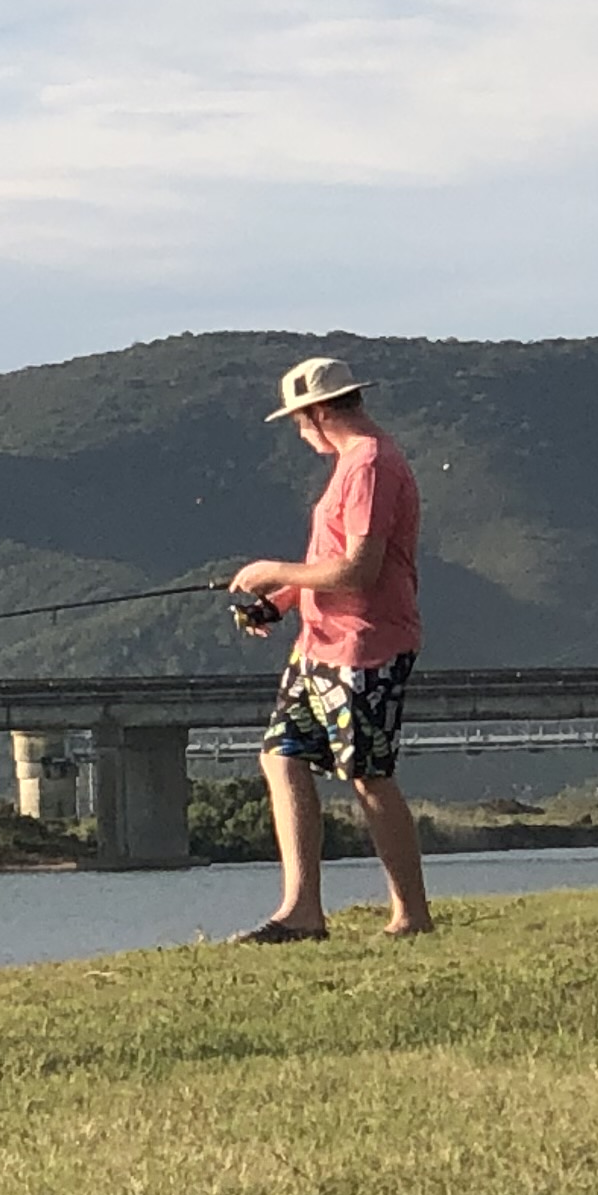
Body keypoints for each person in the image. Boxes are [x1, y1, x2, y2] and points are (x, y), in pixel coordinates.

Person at [227, 354, 435, 942]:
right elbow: (331, 565)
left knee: (368, 775)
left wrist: (271, 570)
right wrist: (283, 599)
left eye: (298, 419)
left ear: (319, 413)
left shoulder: (370, 464)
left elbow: (360, 570)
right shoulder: (351, 464)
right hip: (318, 645)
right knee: (280, 756)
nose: (297, 430)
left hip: (364, 647)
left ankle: (411, 917)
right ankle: (301, 913)